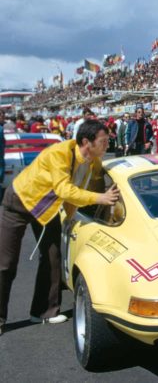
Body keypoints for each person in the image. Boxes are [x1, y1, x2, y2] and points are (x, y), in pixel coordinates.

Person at [0, 120, 120, 334]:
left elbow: (96, 185)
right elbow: (64, 189)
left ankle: (43, 312)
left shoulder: (94, 162)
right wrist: (101, 198)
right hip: (19, 201)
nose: (107, 146)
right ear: (86, 142)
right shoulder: (60, 153)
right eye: (103, 142)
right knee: (5, 264)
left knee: (53, 256)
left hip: (47, 208)